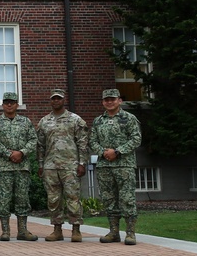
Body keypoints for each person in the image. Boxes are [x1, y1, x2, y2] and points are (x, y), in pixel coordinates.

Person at [90, 88, 143, 245]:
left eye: (113, 99)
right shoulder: (98, 121)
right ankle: (113, 232)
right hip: (104, 166)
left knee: (127, 199)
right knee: (109, 199)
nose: (109, 102)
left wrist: (118, 152)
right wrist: (103, 153)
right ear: (103, 102)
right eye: (106, 100)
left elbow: (136, 139)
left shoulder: (129, 118)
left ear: (119, 101)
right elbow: (92, 140)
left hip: (124, 165)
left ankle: (130, 233)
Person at [36, 89, 90, 242]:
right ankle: (57, 229)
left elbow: (83, 143)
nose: (56, 101)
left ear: (63, 100)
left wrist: (82, 163)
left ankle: (76, 229)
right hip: (50, 166)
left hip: (70, 166)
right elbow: (40, 145)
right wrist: (40, 164)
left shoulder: (75, 120)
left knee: (73, 198)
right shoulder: (44, 121)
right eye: (53, 99)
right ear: (50, 101)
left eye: (58, 99)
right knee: (53, 199)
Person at [0, 91, 38, 241]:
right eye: (6, 102)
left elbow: (33, 140)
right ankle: (5, 231)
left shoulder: (25, 122)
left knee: (22, 198)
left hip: (22, 166)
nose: (9, 105)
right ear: (3, 105)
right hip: (5, 167)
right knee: (4, 199)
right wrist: (9, 154)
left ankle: (22, 230)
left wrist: (21, 153)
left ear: (17, 105)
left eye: (12, 102)